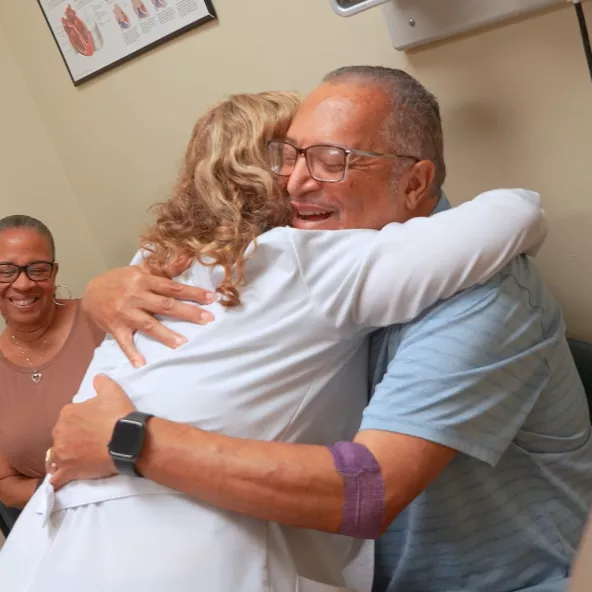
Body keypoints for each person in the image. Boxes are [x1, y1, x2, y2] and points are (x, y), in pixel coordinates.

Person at [0, 90, 545, 592]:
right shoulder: (304, 260)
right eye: (295, 157)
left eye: (329, 159)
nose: (304, 179)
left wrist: (128, 433)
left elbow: (369, 491)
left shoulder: (159, 261)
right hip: (156, 547)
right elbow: (518, 209)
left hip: (45, 542)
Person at [0, 215, 104, 532]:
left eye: (37, 268)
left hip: (148, 503)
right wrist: (75, 497)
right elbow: (5, 486)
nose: (22, 283)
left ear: (54, 272)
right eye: (5, 270)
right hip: (59, 531)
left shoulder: (101, 320)